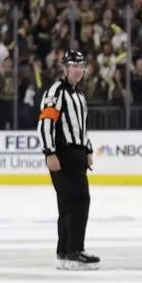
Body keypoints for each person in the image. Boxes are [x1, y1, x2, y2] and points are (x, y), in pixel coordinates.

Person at [37, 50, 99, 270]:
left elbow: (82, 128)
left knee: (68, 203)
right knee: (79, 200)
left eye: (81, 66)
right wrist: (49, 152)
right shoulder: (57, 91)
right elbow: (45, 123)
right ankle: (74, 250)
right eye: (74, 65)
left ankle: (65, 251)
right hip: (63, 153)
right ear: (64, 68)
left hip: (77, 154)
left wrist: (88, 150)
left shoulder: (78, 94)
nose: (79, 70)